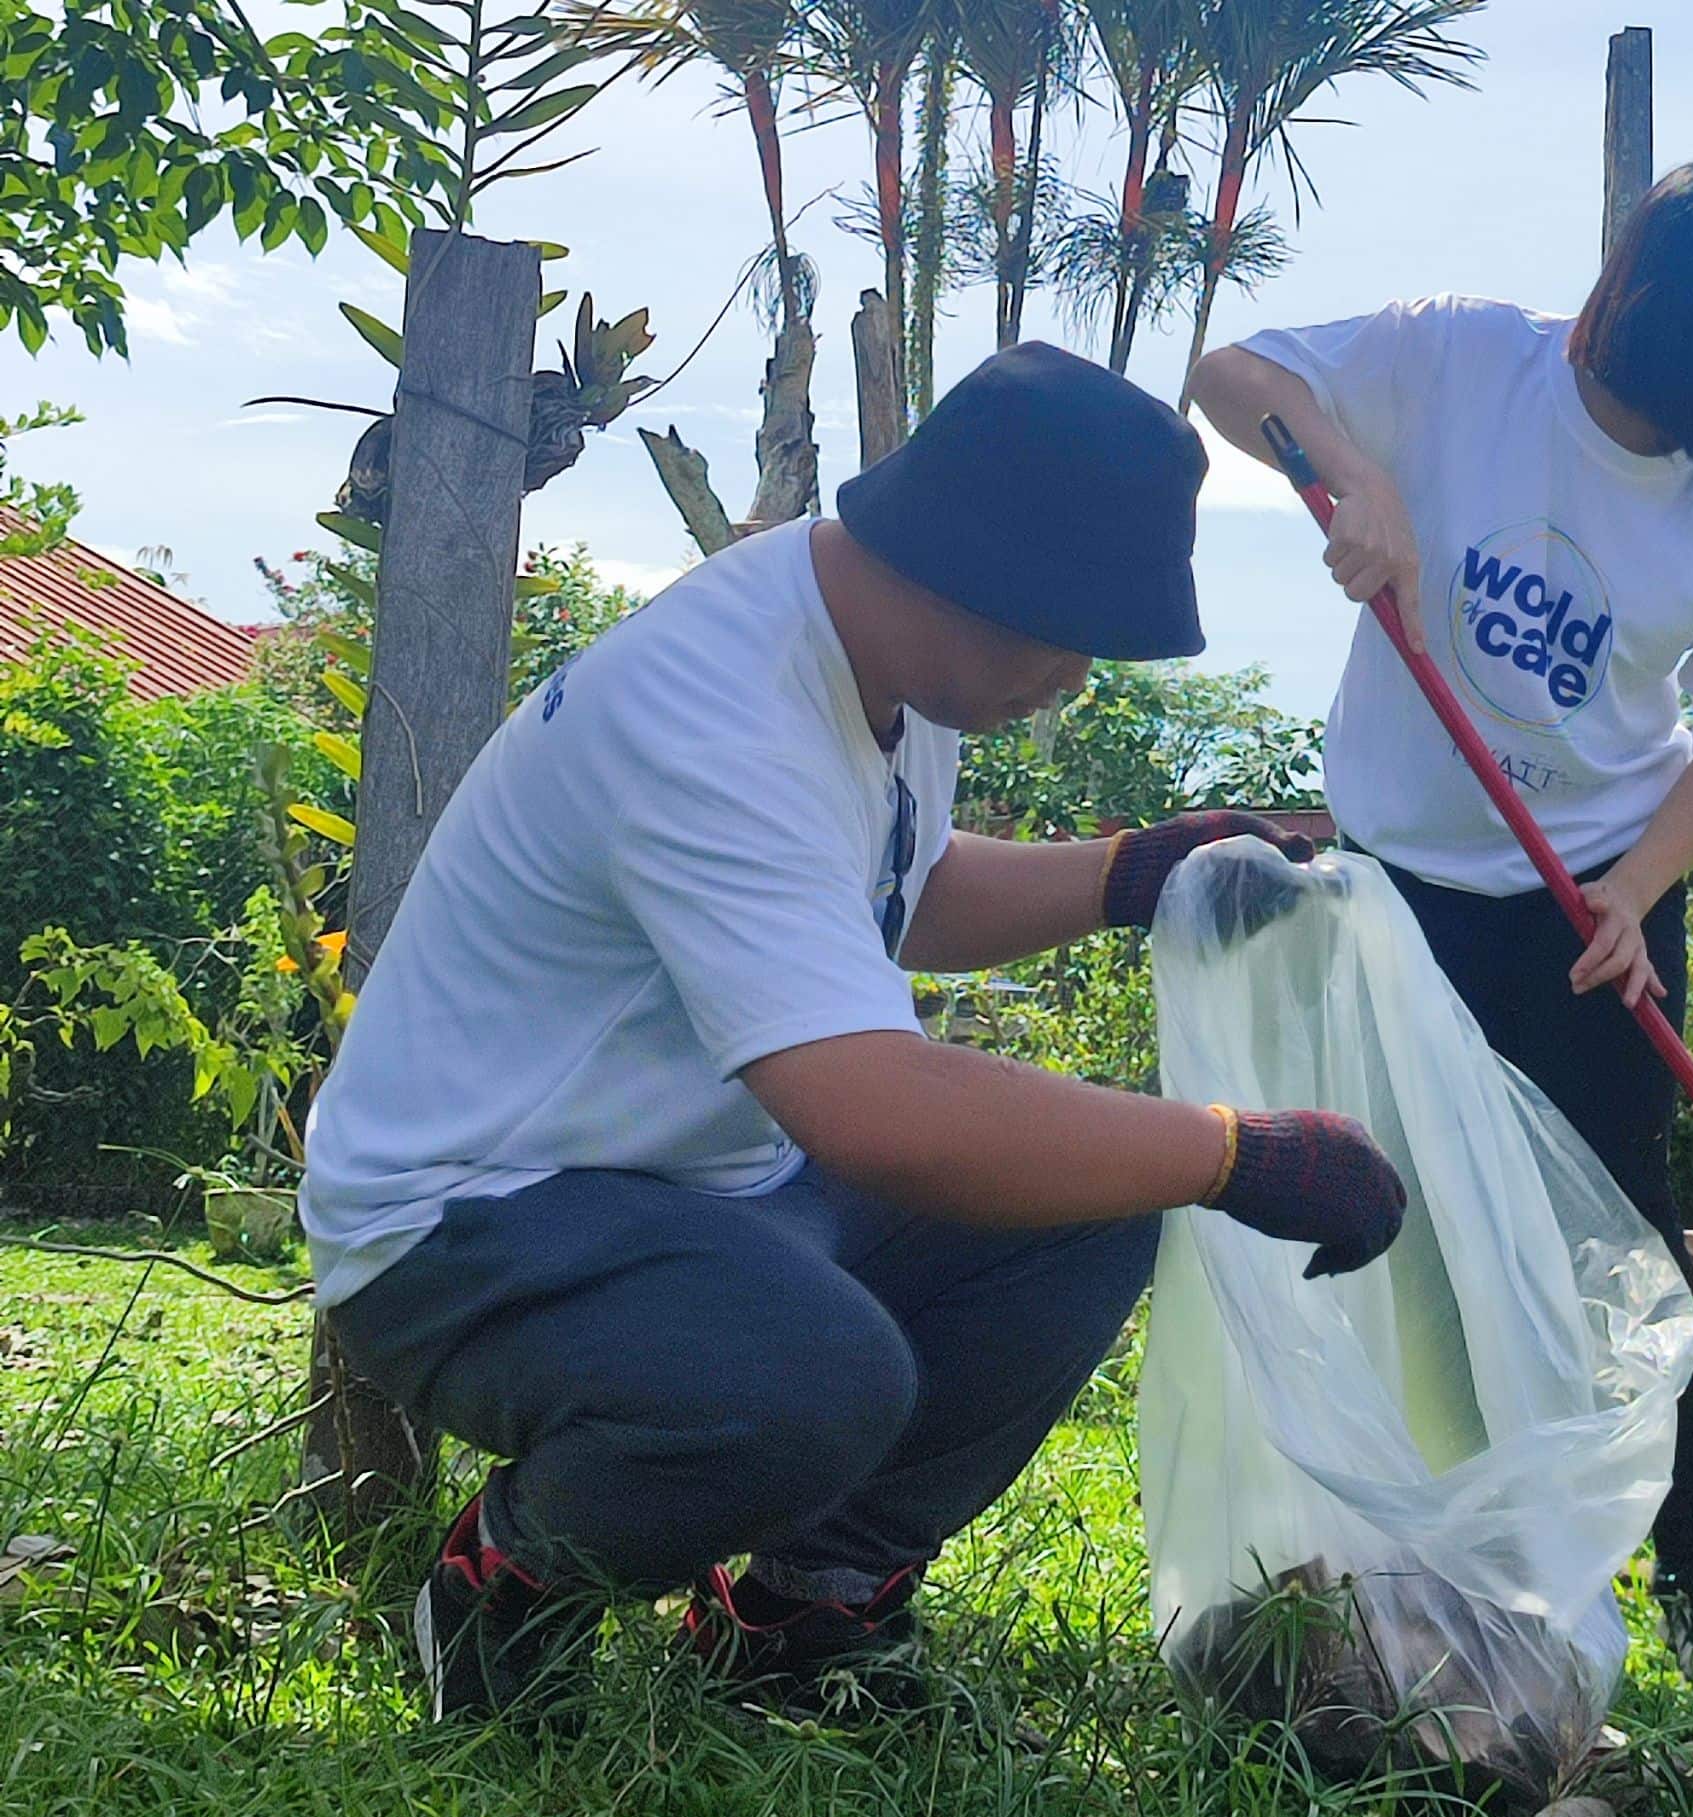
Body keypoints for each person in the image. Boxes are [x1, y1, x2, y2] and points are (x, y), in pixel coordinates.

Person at [301, 343, 1410, 1725]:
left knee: (1083, 1208)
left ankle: (800, 1613)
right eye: (1062, 633)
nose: (1071, 677)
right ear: (964, 565)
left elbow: (911, 891)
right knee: (809, 1383)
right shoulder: (717, 712)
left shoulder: (877, 660)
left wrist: (1132, 869)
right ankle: (501, 1586)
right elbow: (872, 1111)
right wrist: (1239, 1154)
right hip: (467, 1224)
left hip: (692, 1193)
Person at [1189, 159, 1693, 1701]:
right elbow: (1230, 372)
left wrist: (1638, 887)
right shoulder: (1463, 357)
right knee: (1380, 1217)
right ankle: (1388, 1544)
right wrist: (1363, 477)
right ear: (1667, 314)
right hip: (1398, 893)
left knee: (1633, 1236)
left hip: (1587, 906)